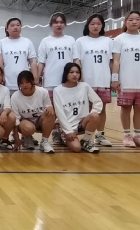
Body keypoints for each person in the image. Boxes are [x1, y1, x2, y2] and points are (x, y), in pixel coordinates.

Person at [111, 10, 140, 148]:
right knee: (125, 108)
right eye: (131, 19)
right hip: (126, 80)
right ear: (126, 22)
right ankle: (126, 135)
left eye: (137, 19)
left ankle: (137, 135)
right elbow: (116, 61)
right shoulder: (119, 39)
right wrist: (114, 78)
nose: (134, 22)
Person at [37, 12, 78, 145]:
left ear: (65, 24)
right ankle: (54, 133)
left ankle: (65, 132)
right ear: (51, 25)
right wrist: (36, 79)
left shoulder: (71, 40)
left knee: (67, 109)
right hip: (51, 81)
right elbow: (41, 62)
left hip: (68, 82)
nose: (59, 24)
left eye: (61, 22)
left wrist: (80, 77)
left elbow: (76, 59)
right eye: (56, 22)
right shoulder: (45, 41)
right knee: (52, 111)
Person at [75, 14, 114, 147]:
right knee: (86, 110)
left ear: (102, 26)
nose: (95, 26)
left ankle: (100, 135)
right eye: (92, 24)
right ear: (87, 26)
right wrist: (80, 78)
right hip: (86, 82)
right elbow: (77, 61)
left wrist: (114, 78)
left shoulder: (108, 41)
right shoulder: (80, 41)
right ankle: (87, 136)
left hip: (103, 80)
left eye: (98, 24)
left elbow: (111, 62)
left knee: (102, 109)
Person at [53, 63, 102, 153]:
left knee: (95, 116)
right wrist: (68, 131)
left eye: (77, 72)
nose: (75, 75)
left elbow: (98, 102)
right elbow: (59, 113)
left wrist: (90, 115)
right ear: (66, 73)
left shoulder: (85, 86)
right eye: (71, 72)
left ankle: (86, 141)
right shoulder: (58, 90)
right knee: (76, 148)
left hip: (81, 123)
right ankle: (60, 135)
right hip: (67, 125)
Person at [10, 70, 55, 153]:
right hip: (25, 122)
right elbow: (16, 119)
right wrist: (16, 138)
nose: (24, 85)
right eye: (21, 83)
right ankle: (26, 137)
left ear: (33, 81)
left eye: (27, 82)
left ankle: (44, 142)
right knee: (28, 128)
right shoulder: (15, 97)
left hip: (40, 120)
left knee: (50, 114)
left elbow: (48, 106)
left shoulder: (43, 91)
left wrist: (50, 107)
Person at [0, 17, 38, 94]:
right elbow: (0, 62)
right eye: (12, 25)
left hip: (25, 83)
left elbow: (32, 61)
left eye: (18, 25)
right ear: (7, 29)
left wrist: (35, 77)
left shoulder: (27, 42)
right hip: (8, 82)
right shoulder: (1, 43)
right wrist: (1, 76)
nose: (15, 27)